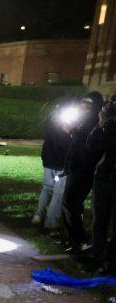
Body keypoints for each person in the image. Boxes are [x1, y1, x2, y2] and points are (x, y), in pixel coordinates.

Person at [62, 92, 106, 253]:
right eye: (83, 101)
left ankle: (78, 239)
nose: (84, 105)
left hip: (85, 169)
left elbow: (90, 144)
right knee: (69, 203)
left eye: (88, 102)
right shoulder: (84, 119)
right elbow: (76, 142)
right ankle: (72, 237)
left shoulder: (97, 122)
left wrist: (73, 129)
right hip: (75, 166)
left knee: (71, 202)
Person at [33, 102, 73, 231]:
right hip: (60, 164)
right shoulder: (64, 125)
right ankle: (51, 222)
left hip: (49, 161)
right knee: (58, 193)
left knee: (47, 188)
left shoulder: (49, 122)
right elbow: (66, 144)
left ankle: (39, 215)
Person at [87, 99, 116, 274]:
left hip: (108, 177)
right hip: (104, 177)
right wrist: (101, 124)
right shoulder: (107, 124)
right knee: (100, 220)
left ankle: (110, 260)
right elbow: (92, 146)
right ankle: (97, 255)